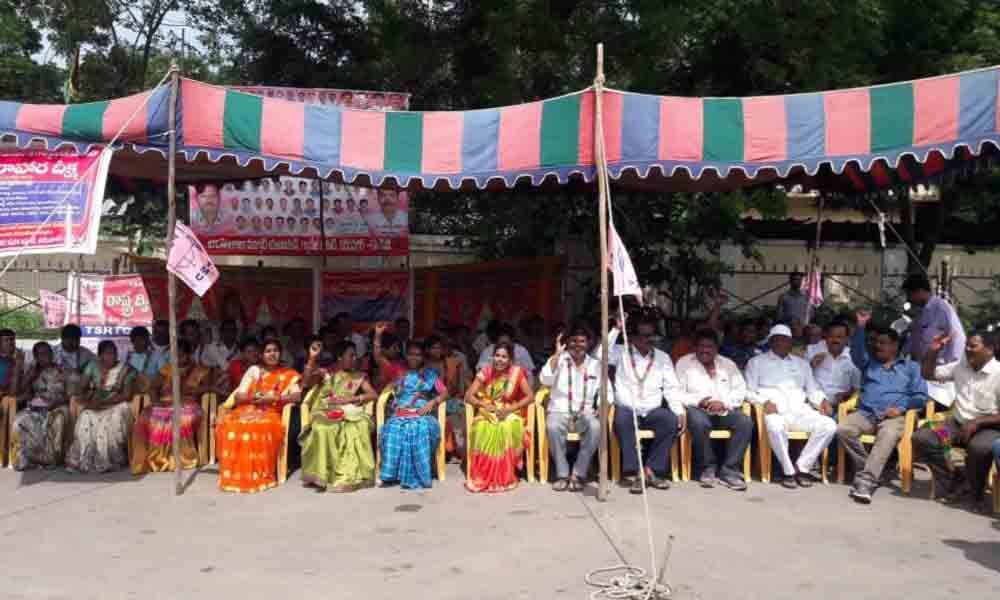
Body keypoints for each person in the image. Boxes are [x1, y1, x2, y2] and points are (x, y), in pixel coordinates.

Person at [837, 312, 928, 503]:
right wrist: (860, 327)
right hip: (866, 414)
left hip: (894, 417)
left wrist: (901, 408)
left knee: (886, 435)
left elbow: (920, 397)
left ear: (894, 346)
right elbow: (856, 352)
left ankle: (866, 481)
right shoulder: (869, 364)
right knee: (843, 429)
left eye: (883, 342)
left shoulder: (911, 367)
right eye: (876, 342)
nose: (878, 346)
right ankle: (869, 468)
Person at [915, 330, 1000, 510]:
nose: (967, 350)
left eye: (973, 346)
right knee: (924, 438)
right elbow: (928, 374)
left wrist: (977, 422)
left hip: (989, 427)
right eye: (966, 345)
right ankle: (954, 477)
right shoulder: (960, 365)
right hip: (957, 424)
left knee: (979, 448)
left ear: (990, 350)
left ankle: (975, 494)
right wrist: (933, 350)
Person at [746, 324, 835, 489]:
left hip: (800, 411)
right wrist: (763, 402)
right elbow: (748, 392)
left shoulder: (802, 364)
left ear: (791, 343)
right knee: (774, 424)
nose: (781, 343)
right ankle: (788, 471)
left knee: (829, 425)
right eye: (777, 340)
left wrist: (822, 400)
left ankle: (802, 467)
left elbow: (812, 389)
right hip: (775, 411)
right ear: (771, 342)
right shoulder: (756, 362)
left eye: (785, 340)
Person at [607, 315, 684, 494]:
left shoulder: (663, 357)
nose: (647, 339)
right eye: (643, 335)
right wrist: (617, 329)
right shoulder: (620, 352)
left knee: (670, 421)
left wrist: (679, 411)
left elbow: (671, 387)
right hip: (627, 407)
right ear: (633, 337)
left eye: (651, 335)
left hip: (652, 409)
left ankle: (651, 470)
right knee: (622, 421)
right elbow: (598, 355)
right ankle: (633, 473)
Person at [216, 338, 302, 493]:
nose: (272, 354)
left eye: (275, 350)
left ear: (280, 353)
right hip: (248, 408)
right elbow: (239, 397)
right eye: (268, 351)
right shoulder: (254, 370)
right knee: (230, 424)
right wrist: (255, 398)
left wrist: (274, 398)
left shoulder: (288, 373)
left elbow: (296, 396)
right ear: (262, 355)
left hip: (271, 413)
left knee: (256, 427)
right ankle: (235, 475)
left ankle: (258, 475)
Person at [675, 329, 752, 491]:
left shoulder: (728, 364)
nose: (705, 350)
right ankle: (707, 467)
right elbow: (676, 391)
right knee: (698, 422)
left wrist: (724, 403)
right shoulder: (684, 363)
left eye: (709, 346)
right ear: (695, 347)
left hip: (724, 409)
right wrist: (699, 401)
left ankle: (730, 471)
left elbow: (740, 389)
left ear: (716, 348)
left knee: (745, 422)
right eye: (701, 346)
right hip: (698, 409)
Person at [299, 340, 378, 492]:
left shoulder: (359, 376)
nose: (355, 359)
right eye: (351, 355)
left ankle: (345, 475)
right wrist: (312, 358)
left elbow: (373, 394)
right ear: (340, 358)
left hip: (348, 411)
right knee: (324, 428)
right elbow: (306, 382)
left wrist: (352, 399)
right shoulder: (327, 373)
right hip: (325, 411)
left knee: (359, 425)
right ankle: (323, 475)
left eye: (355, 356)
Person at [538, 325, 604, 492]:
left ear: (588, 343)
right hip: (559, 411)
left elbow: (607, 391)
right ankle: (562, 474)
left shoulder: (596, 365)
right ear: (567, 342)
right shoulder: (559, 360)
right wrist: (557, 354)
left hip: (584, 413)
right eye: (574, 341)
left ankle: (578, 474)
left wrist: (602, 405)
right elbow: (545, 379)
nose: (578, 345)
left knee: (596, 427)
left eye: (582, 341)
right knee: (552, 426)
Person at [131, 340, 212, 474]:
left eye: (182, 355)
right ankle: (155, 459)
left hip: (188, 404)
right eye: (176, 356)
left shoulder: (201, 370)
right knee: (147, 416)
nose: (179, 359)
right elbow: (153, 388)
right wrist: (156, 401)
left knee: (181, 418)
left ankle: (182, 459)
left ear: (189, 354)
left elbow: (207, 387)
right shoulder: (166, 368)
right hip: (164, 402)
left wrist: (186, 386)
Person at [464, 342, 535, 493]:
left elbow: (530, 396)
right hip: (488, 410)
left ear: (510, 360)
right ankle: (484, 475)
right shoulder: (486, 371)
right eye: (497, 355)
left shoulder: (517, 372)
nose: (500, 360)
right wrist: (483, 405)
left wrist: (510, 409)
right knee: (484, 426)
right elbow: (468, 395)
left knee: (506, 426)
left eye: (504, 357)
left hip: (510, 411)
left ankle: (505, 476)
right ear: (492, 357)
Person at [378, 343, 448, 489]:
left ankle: (420, 474)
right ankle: (391, 473)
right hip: (401, 411)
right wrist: (378, 338)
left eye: (418, 355)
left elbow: (445, 392)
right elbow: (378, 358)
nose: (414, 357)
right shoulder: (398, 371)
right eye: (411, 354)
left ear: (422, 357)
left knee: (420, 427)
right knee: (393, 428)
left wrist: (432, 403)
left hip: (421, 411)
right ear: (406, 355)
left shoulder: (429, 374)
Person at [66, 340, 136, 473]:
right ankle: (84, 459)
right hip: (96, 404)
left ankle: (108, 460)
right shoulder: (92, 366)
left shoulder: (126, 369)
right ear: (100, 356)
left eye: (114, 353)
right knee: (86, 416)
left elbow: (127, 395)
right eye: (107, 353)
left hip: (117, 404)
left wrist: (104, 403)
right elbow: (82, 386)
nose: (112, 356)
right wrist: (87, 399)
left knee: (110, 421)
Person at [902, 274, 966, 406]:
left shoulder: (942, 309)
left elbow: (958, 338)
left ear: (919, 291)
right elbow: (914, 340)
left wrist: (951, 369)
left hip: (940, 374)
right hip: (921, 372)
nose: (908, 299)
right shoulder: (920, 312)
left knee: (936, 409)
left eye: (909, 294)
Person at [13, 342, 68, 470]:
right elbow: (21, 391)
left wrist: (56, 403)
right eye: (41, 354)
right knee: (19, 420)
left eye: (48, 352)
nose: (46, 356)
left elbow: (70, 395)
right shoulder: (33, 371)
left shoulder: (62, 370)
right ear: (36, 357)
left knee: (57, 419)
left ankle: (50, 459)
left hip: (58, 406)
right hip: (37, 407)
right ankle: (26, 458)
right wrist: (29, 377)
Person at [423, 335, 468, 462]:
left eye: (439, 348)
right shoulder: (423, 365)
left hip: (446, 398)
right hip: (427, 400)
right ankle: (441, 451)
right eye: (433, 348)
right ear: (427, 350)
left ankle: (462, 451)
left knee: (462, 409)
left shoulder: (449, 363)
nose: (436, 351)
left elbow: (452, 387)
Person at [807, 321, 861, 415]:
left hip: (839, 407)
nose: (835, 340)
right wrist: (810, 365)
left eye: (839, 337)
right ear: (826, 337)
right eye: (831, 336)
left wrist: (846, 394)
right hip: (814, 403)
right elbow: (801, 379)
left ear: (847, 339)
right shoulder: (813, 351)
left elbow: (857, 388)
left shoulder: (853, 358)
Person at [125, 326, 165, 394]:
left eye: (140, 340)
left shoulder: (157, 356)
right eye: (134, 341)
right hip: (132, 396)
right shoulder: (129, 357)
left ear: (147, 340)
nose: (137, 344)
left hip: (151, 395)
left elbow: (163, 376)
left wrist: (150, 385)